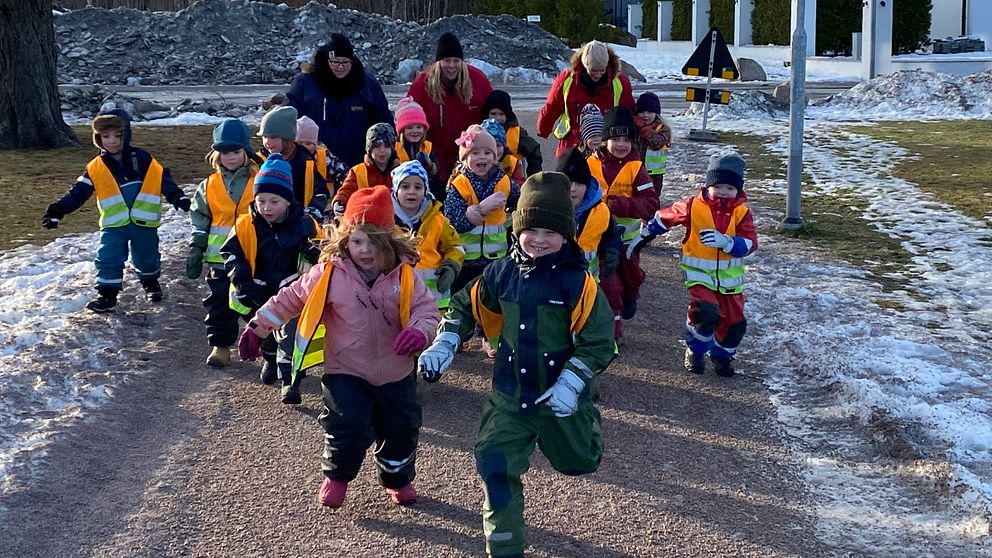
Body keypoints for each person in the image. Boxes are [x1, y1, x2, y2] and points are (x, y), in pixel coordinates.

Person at [417, 172, 615, 558]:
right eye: (531, 229)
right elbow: (464, 305)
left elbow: (600, 339)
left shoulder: (578, 282)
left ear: (567, 234)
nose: (539, 240)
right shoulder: (501, 272)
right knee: (493, 464)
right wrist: (447, 341)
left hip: (562, 397)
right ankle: (505, 550)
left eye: (550, 231)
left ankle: (587, 426)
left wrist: (572, 384)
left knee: (579, 461)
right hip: (510, 395)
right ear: (517, 228)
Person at [238, 185, 440, 508]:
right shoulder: (329, 274)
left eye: (374, 240)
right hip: (346, 368)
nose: (365, 249)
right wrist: (258, 326)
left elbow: (427, 311)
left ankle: (397, 478)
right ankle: (337, 476)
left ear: (389, 240)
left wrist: (420, 332)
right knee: (346, 425)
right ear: (345, 239)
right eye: (357, 240)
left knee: (402, 428)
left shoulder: (404, 276)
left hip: (396, 369)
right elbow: (291, 299)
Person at [41, 108, 190, 313]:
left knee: (147, 257)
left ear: (126, 135)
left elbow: (163, 180)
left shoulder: (143, 158)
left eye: (117, 136)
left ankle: (151, 284)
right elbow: (78, 193)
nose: (111, 141)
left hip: (143, 222)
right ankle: (107, 295)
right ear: (98, 138)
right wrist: (57, 210)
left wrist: (178, 198)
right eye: (105, 136)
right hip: (114, 223)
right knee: (108, 257)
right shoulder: (95, 167)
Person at [627, 152, 757, 377]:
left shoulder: (742, 213)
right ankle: (695, 351)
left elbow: (750, 243)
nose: (724, 192)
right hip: (700, 276)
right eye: (719, 186)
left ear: (738, 189)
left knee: (735, 324)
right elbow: (667, 217)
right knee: (706, 314)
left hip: (731, 284)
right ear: (708, 185)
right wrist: (645, 234)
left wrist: (727, 242)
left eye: (730, 188)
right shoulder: (694, 205)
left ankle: (722, 357)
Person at [221, 154, 321, 404]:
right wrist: (242, 282)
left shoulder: (305, 224)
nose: (267, 207)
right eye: (261, 200)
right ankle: (269, 357)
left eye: (274, 201)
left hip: (293, 291)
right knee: (265, 334)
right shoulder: (246, 225)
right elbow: (231, 254)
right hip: (257, 289)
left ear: (288, 201)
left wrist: (313, 252)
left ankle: (291, 381)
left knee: (293, 336)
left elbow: (324, 255)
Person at [187, 119, 259, 367]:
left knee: (255, 302)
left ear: (246, 151)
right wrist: (196, 246)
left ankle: (266, 347)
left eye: (236, 151)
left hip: (253, 257)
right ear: (217, 154)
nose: (230, 157)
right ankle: (221, 346)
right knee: (219, 305)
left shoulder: (260, 179)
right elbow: (200, 218)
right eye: (225, 152)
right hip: (219, 261)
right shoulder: (208, 186)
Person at [444, 125, 520, 358]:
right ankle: (456, 335)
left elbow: (520, 203)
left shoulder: (505, 181)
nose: (482, 157)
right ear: (465, 157)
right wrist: (477, 211)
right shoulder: (458, 184)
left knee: (492, 299)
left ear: (495, 156)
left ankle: (489, 337)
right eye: (475, 153)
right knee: (460, 297)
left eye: (487, 153)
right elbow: (452, 219)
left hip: (494, 257)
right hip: (465, 257)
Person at [588, 107, 659, 343]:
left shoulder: (636, 167)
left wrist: (622, 205)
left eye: (626, 139)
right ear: (605, 140)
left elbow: (650, 203)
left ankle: (632, 294)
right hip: (598, 239)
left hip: (627, 243)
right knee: (610, 285)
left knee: (632, 279)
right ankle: (612, 332)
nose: (621, 144)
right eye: (615, 139)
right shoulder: (590, 164)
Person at [286, 32, 394, 168]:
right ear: (327, 60)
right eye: (335, 62)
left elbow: (384, 122)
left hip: (357, 164)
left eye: (345, 62)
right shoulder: (305, 83)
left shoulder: (367, 84)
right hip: (312, 165)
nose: (341, 67)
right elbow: (288, 120)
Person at [408, 32, 494, 183]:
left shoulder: (478, 80)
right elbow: (407, 119)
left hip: (471, 162)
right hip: (434, 162)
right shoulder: (422, 84)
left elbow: (495, 114)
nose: (452, 66)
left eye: (456, 60)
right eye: (447, 61)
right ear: (438, 62)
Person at [537, 40, 634, 157]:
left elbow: (628, 113)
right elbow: (552, 107)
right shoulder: (566, 80)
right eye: (593, 70)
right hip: (572, 146)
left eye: (602, 70)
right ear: (584, 65)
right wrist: (543, 128)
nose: (598, 74)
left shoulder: (620, 83)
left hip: (605, 149)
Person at [391, 160, 463, 309]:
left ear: (425, 190)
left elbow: (455, 246)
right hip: (397, 301)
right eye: (405, 186)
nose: (412, 191)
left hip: (435, 303)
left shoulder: (438, 220)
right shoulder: (387, 223)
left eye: (418, 187)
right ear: (396, 190)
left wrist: (451, 266)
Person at [555, 148, 621, 282]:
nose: (573, 188)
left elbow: (612, 235)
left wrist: (612, 251)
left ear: (587, 185)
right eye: (567, 182)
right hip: (554, 287)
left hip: (588, 286)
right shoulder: (548, 211)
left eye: (579, 183)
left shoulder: (601, 211)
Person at [257, 105, 329, 220]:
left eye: (273, 137)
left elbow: (321, 192)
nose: (267, 142)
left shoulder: (305, 161)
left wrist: (312, 213)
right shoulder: (259, 161)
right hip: (267, 223)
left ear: (288, 138)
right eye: (264, 137)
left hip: (298, 223)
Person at [332, 123, 398, 216]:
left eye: (386, 146)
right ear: (369, 149)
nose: (382, 150)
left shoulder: (400, 170)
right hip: (364, 219)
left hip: (393, 218)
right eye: (376, 146)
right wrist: (339, 201)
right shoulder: (357, 171)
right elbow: (347, 189)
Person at [481, 89, 542, 176]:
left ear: (508, 114)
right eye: (493, 113)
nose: (497, 118)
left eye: (501, 114)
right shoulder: (480, 131)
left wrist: (533, 176)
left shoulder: (517, 133)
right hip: (484, 180)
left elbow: (534, 151)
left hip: (514, 180)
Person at [393, 96, 442, 200]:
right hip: (401, 194)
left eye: (419, 127)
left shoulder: (428, 147)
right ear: (402, 130)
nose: (415, 131)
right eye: (410, 128)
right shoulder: (395, 148)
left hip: (424, 193)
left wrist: (431, 166)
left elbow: (437, 174)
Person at [633, 92, 672, 197]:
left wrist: (645, 130)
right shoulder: (634, 127)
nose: (645, 115)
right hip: (635, 169)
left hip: (654, 174)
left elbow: (657, 143)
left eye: (650, 112)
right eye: (642, 112)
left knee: (652, 196)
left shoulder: (663, 128)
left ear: (656, 113)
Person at [296, 115, 349, 189]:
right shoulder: (290, 157)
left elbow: (346, 175)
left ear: (315, 145)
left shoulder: (325, 158)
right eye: (299, 143)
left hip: (323, 198)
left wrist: (345, 192)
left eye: (308, 144)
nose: (303, 147)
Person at [480, 118, 526, 190]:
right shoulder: (476, 163)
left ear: (504, 146)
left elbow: (521, 185)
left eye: (498, 145)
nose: (494, 149)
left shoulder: (512, 163)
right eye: (489, 146)